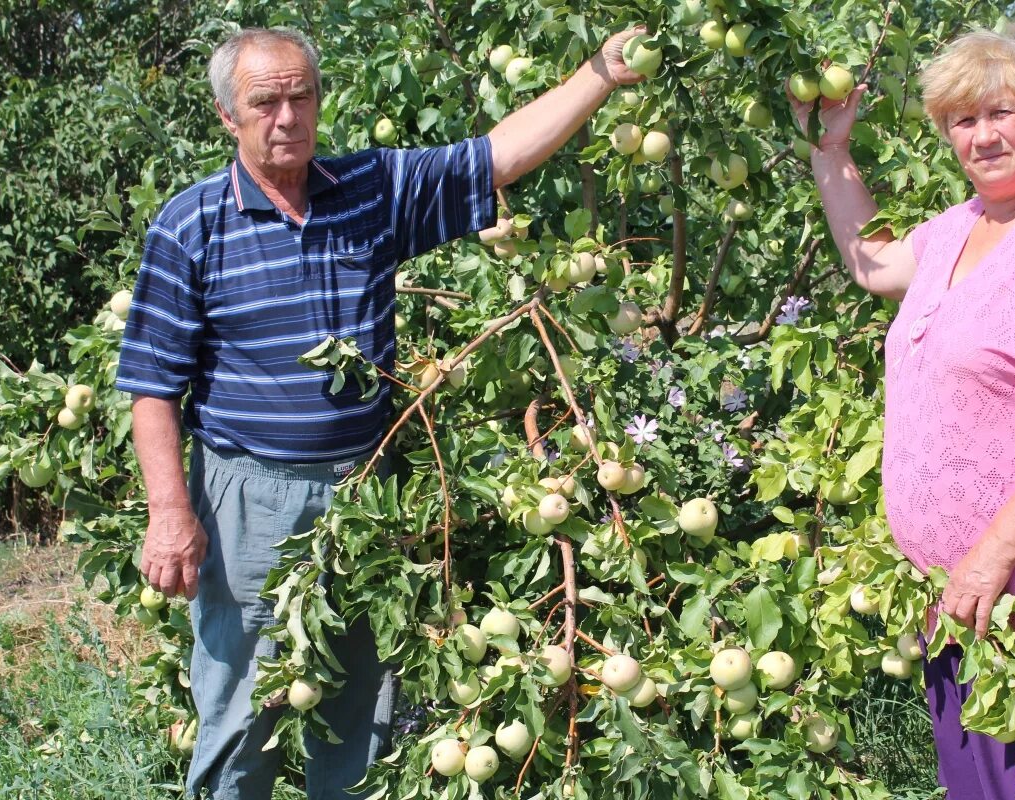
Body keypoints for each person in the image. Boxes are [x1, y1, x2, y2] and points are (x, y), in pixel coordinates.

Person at [115, 25, 646, 800]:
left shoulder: (371, 190)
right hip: (249, 500)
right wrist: (169, 512)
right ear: (228, 116)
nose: (287, 117)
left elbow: (499, 155)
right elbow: (153, 387)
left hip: (369, 495)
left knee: (365, 710)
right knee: (241, 712)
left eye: (302, 96)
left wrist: (599, 74)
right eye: (265, 102)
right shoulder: (191, 226)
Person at [786, 31, 1015, 799]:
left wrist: (991, 557)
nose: (982, 136)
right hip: (957, 592)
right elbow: (871, 263)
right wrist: (831, 152)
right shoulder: (964, 225)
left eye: (1000, 112)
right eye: (961, 120)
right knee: (981, 787)